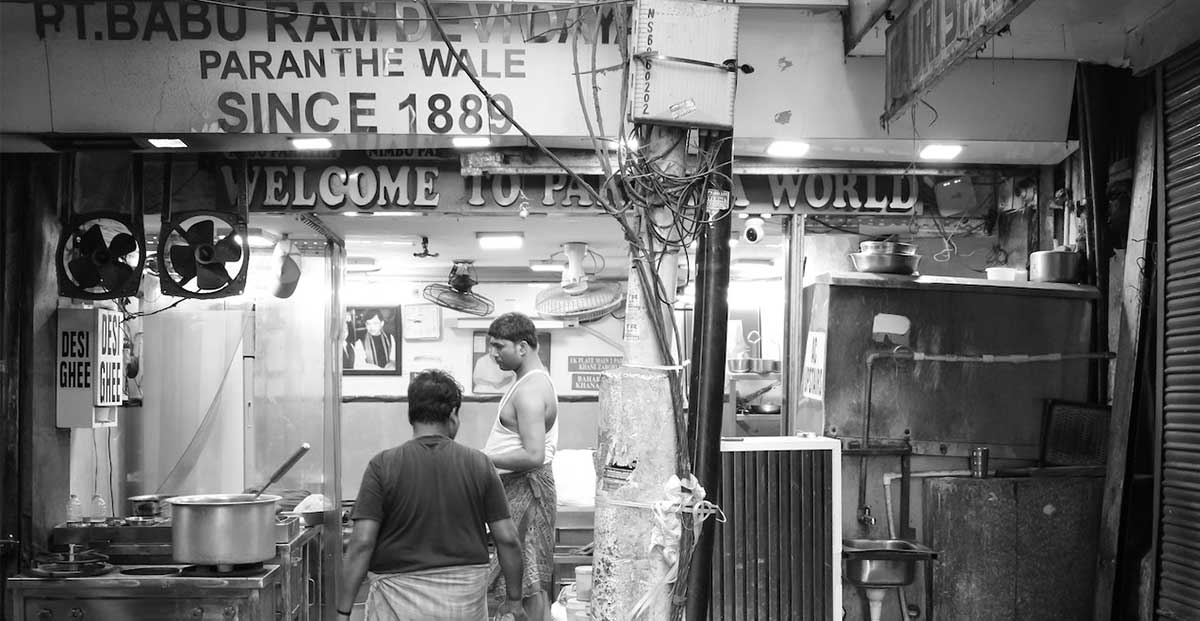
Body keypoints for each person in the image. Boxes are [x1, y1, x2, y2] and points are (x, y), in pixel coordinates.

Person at [337, 370, 526, 621]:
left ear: (411, 414)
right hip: (463, 605)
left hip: (397, 603)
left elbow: (361, 543)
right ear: (453, 414)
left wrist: (343, 612)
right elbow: (508, 539)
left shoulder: (382, 465)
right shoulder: (479, 464)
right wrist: (514, 601)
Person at [482, 313, 559, 621]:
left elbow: (533, 454)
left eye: (499, 346)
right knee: (522, 581)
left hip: (528, 493)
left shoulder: (530, 390)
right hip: (515, 490)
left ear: (523, 347)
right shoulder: (527, 382)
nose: (493, 353)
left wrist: (483, 458)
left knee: (527, 584)